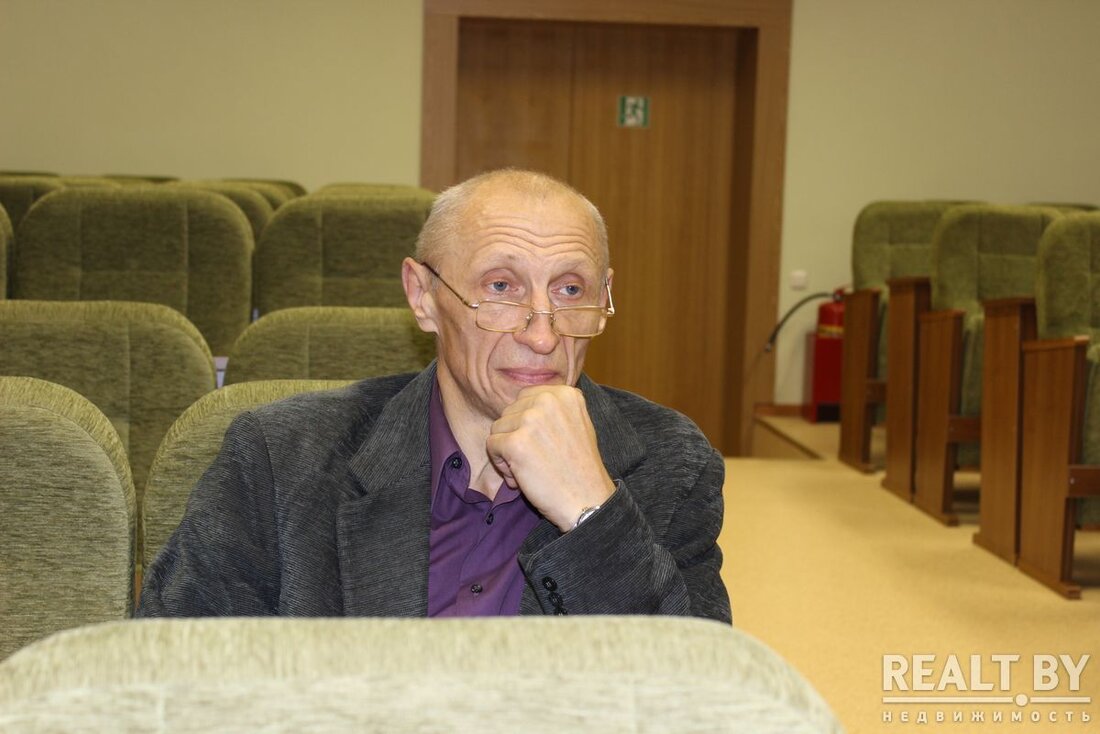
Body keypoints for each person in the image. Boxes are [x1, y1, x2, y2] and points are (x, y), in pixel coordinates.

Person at [138, 169, 730, 622]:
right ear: (423, 296)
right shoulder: (283, 456)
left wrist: (591, 513)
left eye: (570, 290)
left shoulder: (671, 463)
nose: (543, 335)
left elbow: (696, 699)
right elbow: (168, 676)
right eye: (502, 286)